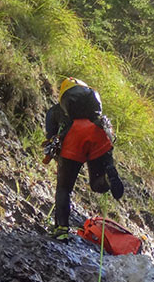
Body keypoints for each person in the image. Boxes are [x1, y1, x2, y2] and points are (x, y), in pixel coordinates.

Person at [44, 77, 124, 241]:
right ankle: (107, 175)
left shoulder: (56, 110)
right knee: (98, 185)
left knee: (64, 188)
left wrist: (54, 152)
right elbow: (107, 128)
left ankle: (62, 229)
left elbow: (51, 137)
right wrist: (108, 161)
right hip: (96, 134)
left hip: (73, 139)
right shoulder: (93, 107)